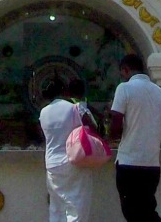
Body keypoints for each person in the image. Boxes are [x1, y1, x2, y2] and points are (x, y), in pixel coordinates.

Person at [108, 52, 161, 222]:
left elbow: (115, 125)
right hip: (151, 165)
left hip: (129, 162)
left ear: (126, 70)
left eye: (122, 74)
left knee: (132, 212)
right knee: (147, 209)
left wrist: (111, 138)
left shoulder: (124, 88)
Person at [39, 73, 94, 221]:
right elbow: (93, 128)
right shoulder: (74, 108)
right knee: (76, 207)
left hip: (51, 163)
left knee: (56, 208)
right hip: (73, 161)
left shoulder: (43, 112)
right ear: (64, 91)